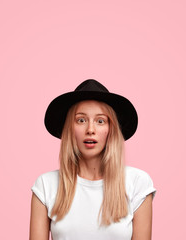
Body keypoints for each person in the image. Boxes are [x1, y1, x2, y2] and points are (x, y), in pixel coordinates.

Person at [29, 79, 156, 240]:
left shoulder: (138, 183)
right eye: (81, 120)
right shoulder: (46, 185)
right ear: (69, 129)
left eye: (100, 121)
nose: (90, 130)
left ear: (111, 130)